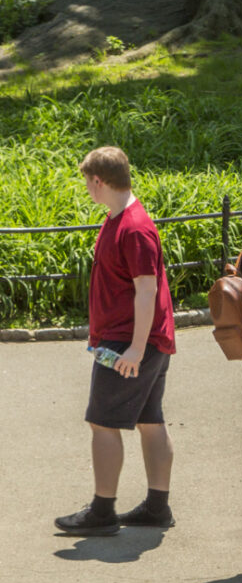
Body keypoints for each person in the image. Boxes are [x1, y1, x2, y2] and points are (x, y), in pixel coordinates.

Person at [55, 147, 178, 537]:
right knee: (150, 420)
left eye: (87, 182)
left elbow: (146, 290)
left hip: (129, 342)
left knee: (102, 423)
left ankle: (102, 511)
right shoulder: (120, 219)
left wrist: (137, 349)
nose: (87, 189)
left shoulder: (134, 227)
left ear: (97, 181)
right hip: (136, 340)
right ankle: (157, 508)